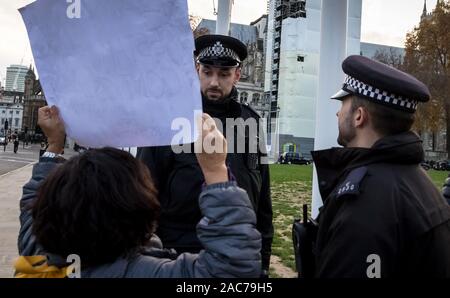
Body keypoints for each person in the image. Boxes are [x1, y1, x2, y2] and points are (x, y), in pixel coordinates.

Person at [15, 106, 261, 278]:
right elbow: (231, 269)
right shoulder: (146, 272)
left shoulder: (36, 258)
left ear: (48, 211)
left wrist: (53, 147)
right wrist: (216, 169)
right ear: (137, 210)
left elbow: (29, 209)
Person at [137, 34, 273, 277]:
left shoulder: (251, 122)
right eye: (207, 72)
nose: (214, 82)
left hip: (237, 256)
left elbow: (262, 199)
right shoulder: (169, 120)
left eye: (223, 74)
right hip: (179, 259)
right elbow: (143, 194)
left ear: (237, 75)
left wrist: (262, 261)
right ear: (196, 70)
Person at [310, 55, 450, 278]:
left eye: (343, 103)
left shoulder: (366, 203)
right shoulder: (418, 180)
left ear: (359, 116)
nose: (338, 113)